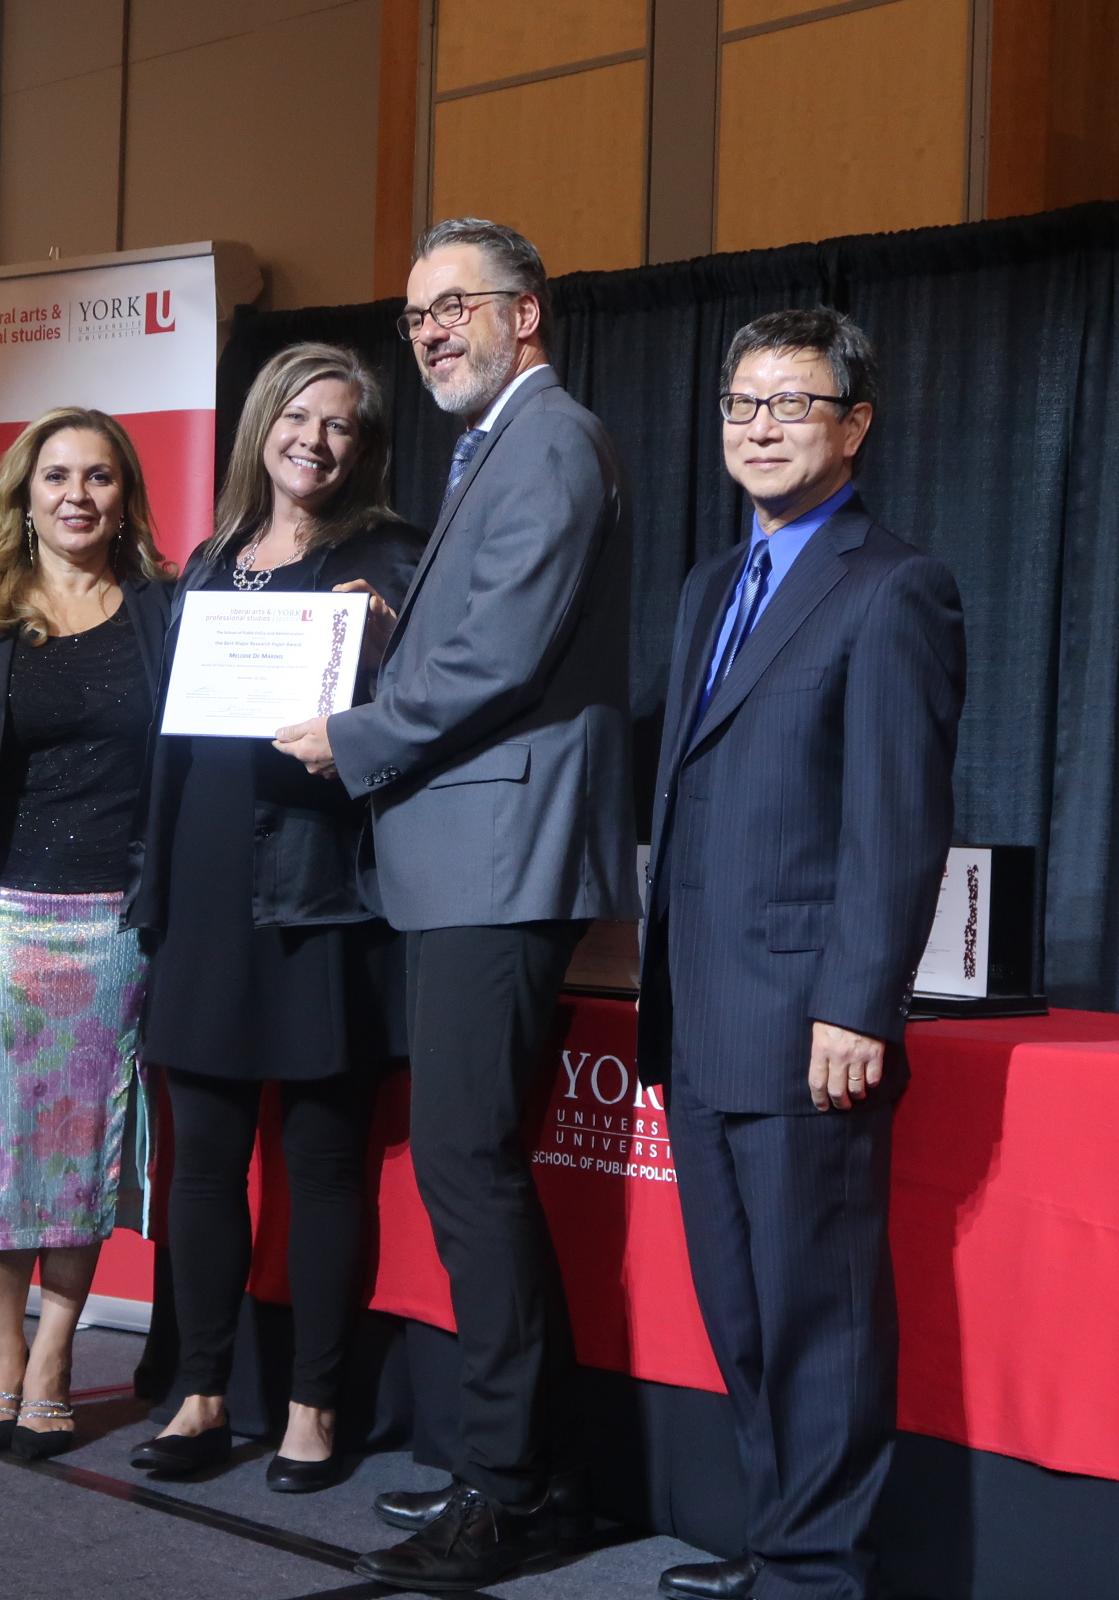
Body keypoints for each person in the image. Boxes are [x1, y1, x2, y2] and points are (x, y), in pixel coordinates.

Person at [274, 219, 638, 1589]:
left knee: (469, 1175)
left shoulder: (549, 438)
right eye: (416, 313)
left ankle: (515, 1488)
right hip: (461, 861)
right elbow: (481, 633)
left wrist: (348, 735)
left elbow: (498, 655)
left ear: (526, 315)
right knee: (465, 1170)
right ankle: (517, 1469)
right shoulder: (500, 447)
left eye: (456, 307)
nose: (428, 331)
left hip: (498, 861)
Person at [639, 309, 965, 1600]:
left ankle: (822, 1578)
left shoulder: (894, 587)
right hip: (702, 1015)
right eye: (741, 405)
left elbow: (898, 822)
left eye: (791, 403)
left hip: (808, 1028)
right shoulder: (710, 587)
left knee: (818, 1327)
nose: (760, 427)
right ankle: (782, 1546)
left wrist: (858, 1002)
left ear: (856, 423)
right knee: (746, 1320)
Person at [125, 344, 423, 1492]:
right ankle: (201, 1392)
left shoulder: (389, 559)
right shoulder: (207, 563)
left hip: (319, 895)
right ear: (262, 427)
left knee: (323, 1161)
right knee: (202, 1162)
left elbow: (418, 723)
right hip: (201, 896)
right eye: (298, 415)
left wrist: (387, 644)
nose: (316, 438)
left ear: (366, 448)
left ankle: (312, 1404)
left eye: (341, 424)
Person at [0, 407, 173, 1463]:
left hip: (118, 921)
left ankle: (56, 1352)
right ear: (25, 489)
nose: (78, 495)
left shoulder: (163, 608)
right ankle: (0, 1352)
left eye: (99, 477)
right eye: (58, 475)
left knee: (85, 1146)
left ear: (124, 493)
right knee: (5, 1148)